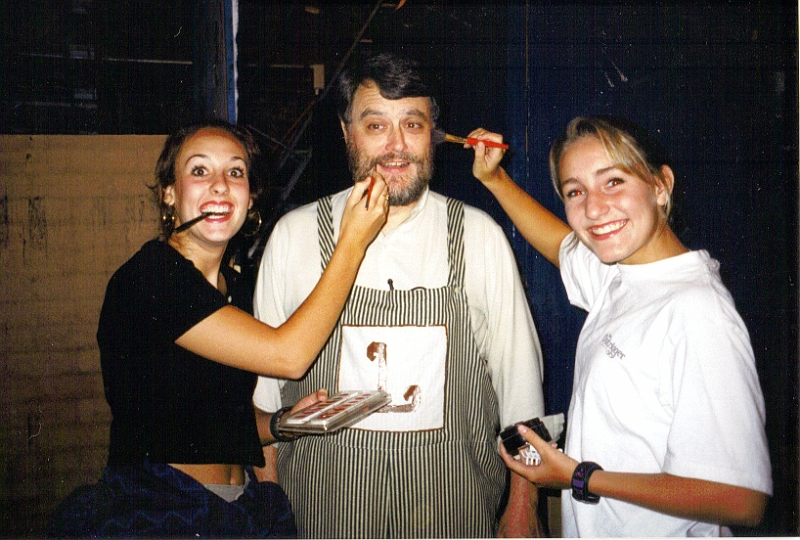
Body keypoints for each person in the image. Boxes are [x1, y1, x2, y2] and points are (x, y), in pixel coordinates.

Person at [46, 119, 388, 538]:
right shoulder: (151, 278)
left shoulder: (236, 286)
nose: (221, 185)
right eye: (200, 170)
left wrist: (281, 423)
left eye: (236, 172)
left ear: (251, 197)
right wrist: (352, 240)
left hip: (236, 506)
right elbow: (289, 356)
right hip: (163, 509)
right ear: (170, 194)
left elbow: (216, 418)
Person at [252, 52, 546, 538]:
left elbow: (521, 388)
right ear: (347, 133)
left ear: (433, 135)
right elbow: (264, 403)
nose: (395, 146)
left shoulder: (478, 236)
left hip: (453, 512)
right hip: (324, 516)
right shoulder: (294, 236)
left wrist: (523, 505)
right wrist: (269, 512)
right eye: (375, 126)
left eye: (412, 124)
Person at [467, 116, 772, 536]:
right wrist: (495, 178)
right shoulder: (623, 274)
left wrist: (578, 477)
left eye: (613, 182)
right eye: (575, 191)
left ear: (660, 186)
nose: (593, 209)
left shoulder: (697, 312)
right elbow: (562, 246)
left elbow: (742, 500)